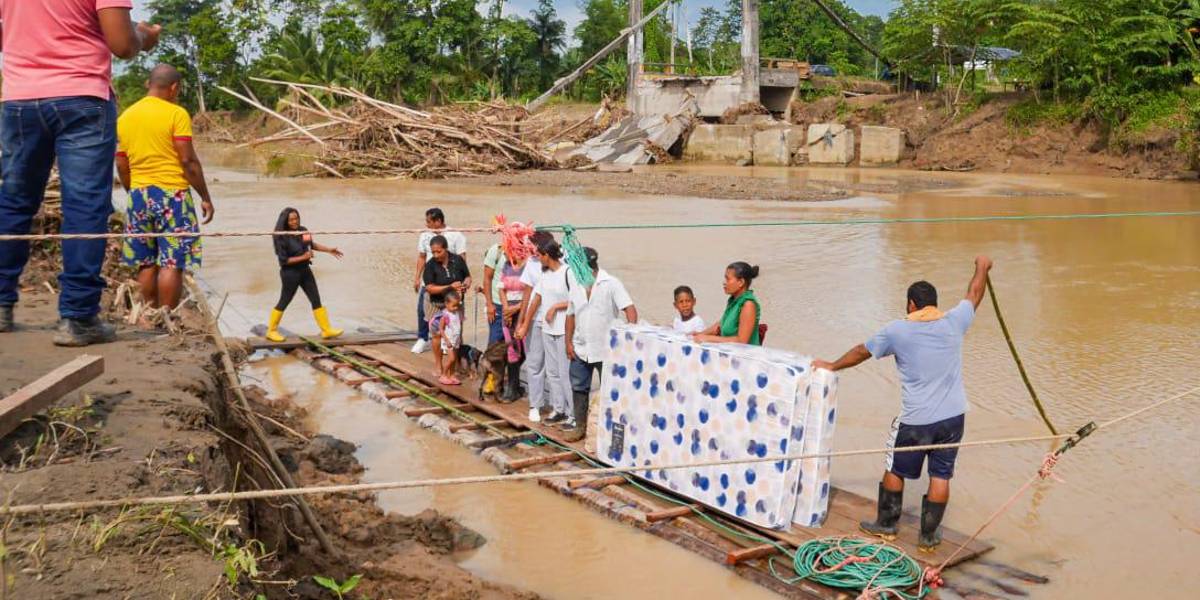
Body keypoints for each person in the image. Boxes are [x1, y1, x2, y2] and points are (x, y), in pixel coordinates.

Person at [0, 1, 161, 344]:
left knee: (14, 201)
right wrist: (144, 36)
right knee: (85, 206)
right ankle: (77, 317)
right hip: (81, 97)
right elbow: (123, 45)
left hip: (19, 99)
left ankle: (1, 304)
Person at [813, 255, 994, 552]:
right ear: (933, 304)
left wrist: (832, 366)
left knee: (895, 468)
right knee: (941, 474)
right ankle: (928, 538)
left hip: (917, 420)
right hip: (954, 417)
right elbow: (974, 293)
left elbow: (862, 351)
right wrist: (982, 267)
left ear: (911, 304)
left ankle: (886, 526)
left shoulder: (898, 330)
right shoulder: (954, 321)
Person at [115, 64, 215, 313]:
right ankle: (167, 317)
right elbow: (187, 160)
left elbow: (121, 162)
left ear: (148, 84)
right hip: (173, 195)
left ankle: (147, 316)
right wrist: (205, 196)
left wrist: (133, 192)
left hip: (138, 194)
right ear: (174, 88)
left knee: (146, 262)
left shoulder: (125, 117)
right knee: (172, 262)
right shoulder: (176, 114)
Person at [564, 247, 637, 443]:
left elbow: (629, 310)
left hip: (606, 349)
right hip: (581, 347)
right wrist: (568, 342)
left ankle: (612, 431)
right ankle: (580, 427)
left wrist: (629, 339)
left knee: (612, 390)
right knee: (579, 387)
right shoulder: (576, 285)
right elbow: (570, 315)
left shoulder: (611, 283)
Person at [515, 237, 572, 427]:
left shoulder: (567, 273)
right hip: (547, 329)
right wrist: (524, 324)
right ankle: (558, 409)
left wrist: (556, 307)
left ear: (548, 255)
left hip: (563, 329)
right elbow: (535, 299)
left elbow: (577, 300)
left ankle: (571, 413)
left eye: (539, 255)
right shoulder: (545, 274)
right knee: (553, 372)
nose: (536, 258)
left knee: (565, 373)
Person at [265, 208, 345, 342]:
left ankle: (326, 330)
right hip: (290, 273)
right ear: (285, 221)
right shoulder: (280, 236)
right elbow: (284, 261)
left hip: (305, 271)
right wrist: (304, 257)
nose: (295, 221)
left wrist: (329, 250)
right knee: (284, 301)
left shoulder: (303, 230)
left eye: (296, 218)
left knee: (316, 299)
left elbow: (311, 244)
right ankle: (271, 331)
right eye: (291, 219)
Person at [513, 231, 555, 420]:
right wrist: (522, 322)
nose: (531, 251)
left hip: (558, 321)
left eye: (534, 248)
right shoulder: (532, 262)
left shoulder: (564, 262)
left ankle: (558, 405)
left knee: (557, 366)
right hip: (535, 319)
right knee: (535, 362)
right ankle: (535, 405)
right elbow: (527, 295)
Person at [412, 208, 466, 354]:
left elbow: (462, 259)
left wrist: (461, 284)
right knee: (422, 311)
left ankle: (450, 342)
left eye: (429, 221)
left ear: (438, 221)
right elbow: (422, 257)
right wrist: (417, 277)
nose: (426, 224)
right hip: (429, 281)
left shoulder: (455, 235)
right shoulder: (425, 235)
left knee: (452, 313)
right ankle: (422, 338)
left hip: (451, 282)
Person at [422, 234, 471, 379]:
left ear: (446, 249)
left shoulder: (458, 260)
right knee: (437, 335)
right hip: (436, 305)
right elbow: (429, 288)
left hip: (455, 305)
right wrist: (449, 286)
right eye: (433, 252)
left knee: (455, 335)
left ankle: (453, 368)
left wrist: (466, 284)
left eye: (439, 251)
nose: (436, 255)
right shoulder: (430, 265)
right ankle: (439, 365)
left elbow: (467, 276)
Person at [691, 262, 762, 346]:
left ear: (741, 282)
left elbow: (742, 341)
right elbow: (721, 325)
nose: (724, 283)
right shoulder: (734, 300)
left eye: (728, 279)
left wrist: (708, 338)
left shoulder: (748, 304)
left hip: (745, 357)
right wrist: (700, 334)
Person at [430, 289, 464, 386]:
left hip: (455, 340)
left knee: (454, 359)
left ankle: (451, 375)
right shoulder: (445, 315)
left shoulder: (457, 312)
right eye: (453, 306)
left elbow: (458, 324)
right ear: (446, 304)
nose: (455, 307)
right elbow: (441, 329)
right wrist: (446, 340)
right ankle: (444, 375)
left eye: (457, 305)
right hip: (448, 340)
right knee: (452, 359)